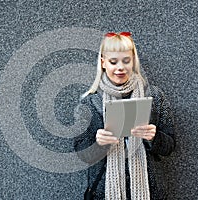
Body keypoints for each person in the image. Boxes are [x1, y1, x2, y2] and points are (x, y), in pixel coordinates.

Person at [74, 32, 175, 200]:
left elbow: (170, 146)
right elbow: (82, 154)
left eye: (126, 60)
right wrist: (98, 143)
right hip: (103, 192)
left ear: (133, 61)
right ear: (103, 63)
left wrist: (154, 137)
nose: (120, 67)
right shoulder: (90, 102)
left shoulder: (154, 97)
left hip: (149, 191)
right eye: (113, 61)